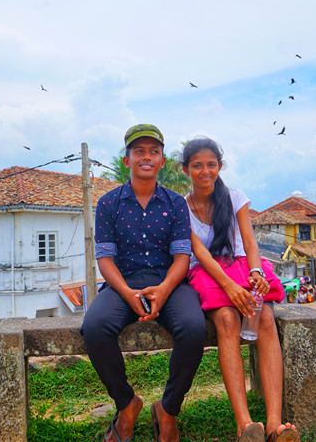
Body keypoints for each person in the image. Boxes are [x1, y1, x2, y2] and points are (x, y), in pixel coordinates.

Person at [81, 124, 206, 442]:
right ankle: (127, 405)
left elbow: (182, 256)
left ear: (162, 161)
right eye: (139, 151)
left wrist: (164, 290)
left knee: (194, 329)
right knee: (94, 328)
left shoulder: (176, 203)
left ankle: (168, 409)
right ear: (127, 160)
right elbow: (105, 259)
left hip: (170, 282)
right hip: (122, 284)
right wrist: (127, 292)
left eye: (154, 152)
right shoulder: (108, 203)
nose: (146, 157)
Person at [180, 137, 299, 442]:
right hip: (208, 272)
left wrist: (257, 272)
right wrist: (229, 286)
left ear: (220, 166)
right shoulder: (181, 206)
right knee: (227, 320)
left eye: (211, 165)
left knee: (266, 320)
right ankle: (244, 424)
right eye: (197, 166)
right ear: (185, 170)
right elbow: (200, 254)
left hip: (243, 264)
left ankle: (274, 424)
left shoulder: (234, 197)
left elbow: (249, 241)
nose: (205, 171)